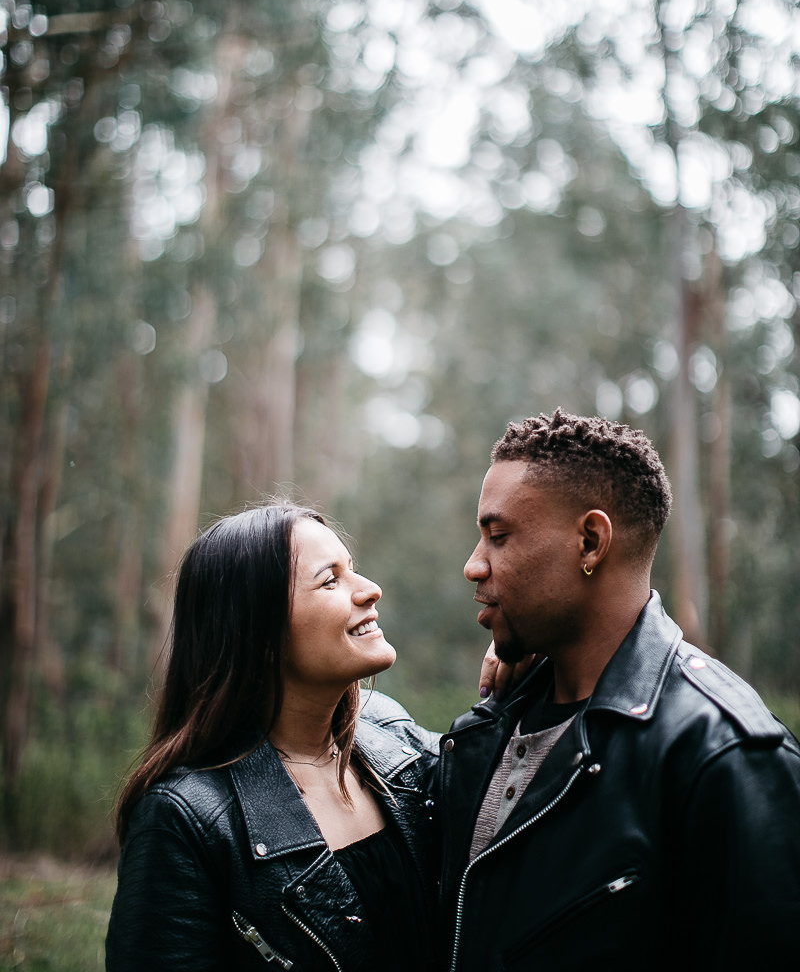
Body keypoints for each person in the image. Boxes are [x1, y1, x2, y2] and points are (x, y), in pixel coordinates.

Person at [438, 408, 800, 972]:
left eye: (499, 536)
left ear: (590, 541)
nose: (473, 566)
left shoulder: (724, 755)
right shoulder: (492, 726)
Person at [106, 501, 441, 972]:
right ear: (259, 634)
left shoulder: (392, 735)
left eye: (354, 570)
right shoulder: (185, 819)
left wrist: (516, 683)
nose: (369, 590)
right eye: (331, 580)